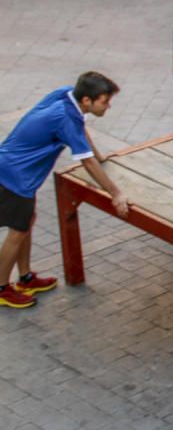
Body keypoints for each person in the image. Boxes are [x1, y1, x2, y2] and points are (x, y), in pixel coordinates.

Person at [0, 72, 129, 310]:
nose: (108, 106)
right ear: (87, 101)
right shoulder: (65, 119)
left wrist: (99, 155)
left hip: (15, 172)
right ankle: (2, 289)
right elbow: (86, 163)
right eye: (105, 101)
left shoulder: (67, 95)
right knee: (17, 230)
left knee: (26, 222)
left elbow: (80, 128)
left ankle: (26, 278)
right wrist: (116, 193)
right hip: (14, 177)